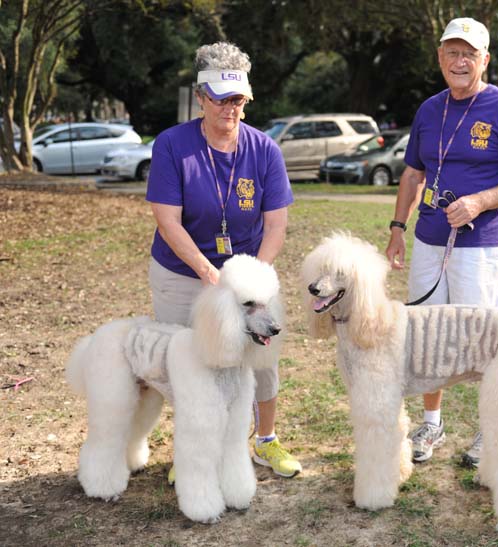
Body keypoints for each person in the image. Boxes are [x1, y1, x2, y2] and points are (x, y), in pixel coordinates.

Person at [385, 17, 498, 467]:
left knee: (482, 341)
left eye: (469, 54)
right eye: (452, 52)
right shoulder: (429, 110)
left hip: (483, 245)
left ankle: (487, 433)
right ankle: (431, 423)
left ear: (485, 60)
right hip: (429, 241)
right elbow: (413, 173)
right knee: (426, 335)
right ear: (439, 58)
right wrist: (397, 228)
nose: (460, 61)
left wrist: (480, 202)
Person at [146, 41, 301, 478]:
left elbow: (275, 226)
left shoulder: (264, 150)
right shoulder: (172, 146)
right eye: (219, 99)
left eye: (237, 100)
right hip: (182, 271)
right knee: (190, 361)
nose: (229, 109)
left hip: (247, 274)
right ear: (200, 98)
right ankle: (196, 452)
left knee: (261, 355)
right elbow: (168, 221)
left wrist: (252, 280)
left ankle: (265, 441)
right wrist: (207, 272)